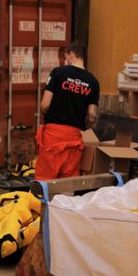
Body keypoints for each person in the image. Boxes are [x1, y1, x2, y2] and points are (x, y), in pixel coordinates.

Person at [35, 42, 99, 180]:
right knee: (68, 181)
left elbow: (45, 104)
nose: (65, 60)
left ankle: (44, 202)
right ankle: (64, 202)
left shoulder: (58, 72)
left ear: (72, 54)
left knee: (45, 179)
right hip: (74, 137)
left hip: (53, 136)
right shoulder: (93, 81)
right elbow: (92, 115)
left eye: (66, 57)